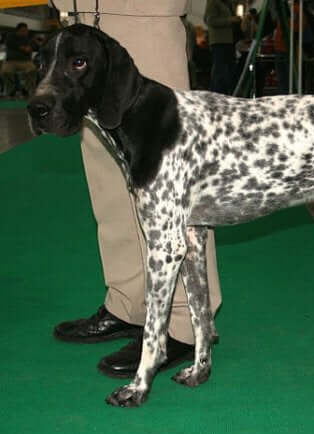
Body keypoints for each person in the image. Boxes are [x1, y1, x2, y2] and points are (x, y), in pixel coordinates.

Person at [51, 0, 222, 379]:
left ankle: (183, 325)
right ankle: (128, 303)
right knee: (111, 180)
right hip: (81, 11)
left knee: (176, 190)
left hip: (142, 12)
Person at [204, 0, 241, 95]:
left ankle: (224, 94)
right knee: (220, 72)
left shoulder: (228, 3)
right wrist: (230, 20)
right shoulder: (213, 2)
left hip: (229, 41)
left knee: (227, 71)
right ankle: (216, 95)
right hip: (219, 41)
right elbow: (210, 20)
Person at [1, 23, 37, 97]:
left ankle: (28, 90)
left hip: (25, 61)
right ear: (18, 31)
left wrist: (31, 48)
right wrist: (23, 48)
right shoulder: (10, 36)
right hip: (10, 61)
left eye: (26, 31)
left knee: (32, 69)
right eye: (23, 31)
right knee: (5, 71)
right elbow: (11, 43)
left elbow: (34, 46)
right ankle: (10, 90)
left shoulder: (29, 38)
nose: (25, 32)